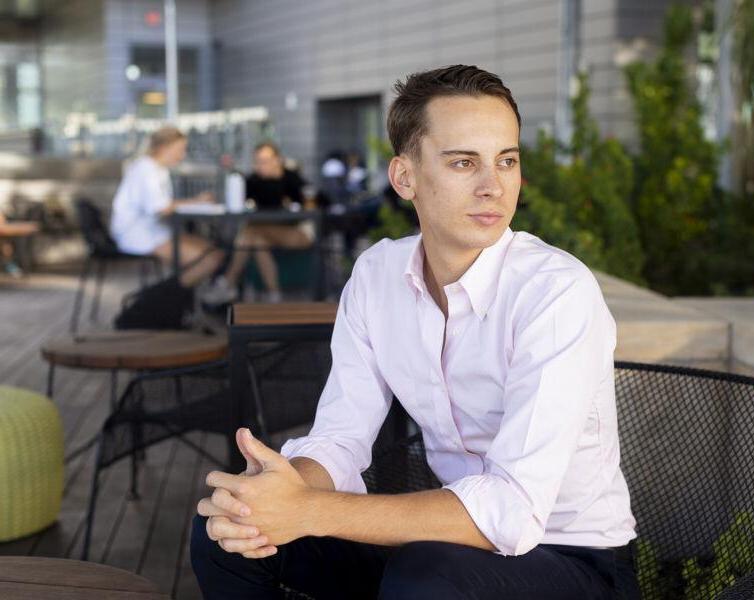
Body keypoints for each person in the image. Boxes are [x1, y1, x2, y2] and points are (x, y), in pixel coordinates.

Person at [191, 65, 639, 599]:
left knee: (424, 577)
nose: (492, 186)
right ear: (405, 178)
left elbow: (513, 512)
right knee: (230, 531)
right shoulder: (379, 276)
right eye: (463, 162)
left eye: (507, 161)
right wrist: (278, 493)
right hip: (445, 549)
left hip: (573, 560)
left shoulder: (556, 293)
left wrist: (309, 509)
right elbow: (341, 436)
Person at [203, 142, 316, 304]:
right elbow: (237, 201)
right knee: (256, 241)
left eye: (266, 160)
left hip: (300, 232)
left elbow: (311, 203)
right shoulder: (254, 181)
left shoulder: (292, 178)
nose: (262, 165)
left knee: (251, 232)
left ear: (278, 160)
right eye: (258, 161)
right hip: (266, 233)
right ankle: (274, 295)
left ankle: (228, 282)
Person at [110, 126, 223, 288]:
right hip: (138, 235)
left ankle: (179, 300)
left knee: (214, 252)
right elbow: (161, 207)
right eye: (179, 149)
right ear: (163, 148)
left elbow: (164, 205)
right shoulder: (145, 169)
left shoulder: (159, 170)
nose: (182, 155)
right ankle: (164, 300)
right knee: (209, 259)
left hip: (154, 231)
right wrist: (197, 202)